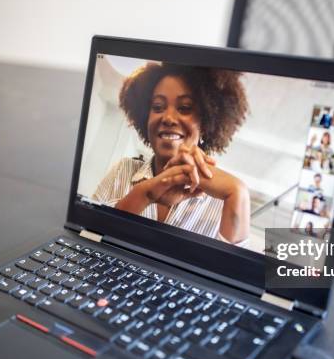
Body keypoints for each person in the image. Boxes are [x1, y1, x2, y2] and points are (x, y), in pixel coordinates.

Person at [92, 62, 250, 245]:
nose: (167, 118)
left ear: (206, 122)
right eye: (158, 107)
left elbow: (229, 271)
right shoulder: (123, 170)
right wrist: (144, 194)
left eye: (184, 108)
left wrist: (238, 192)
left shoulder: (223, 200)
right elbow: (89, 239)